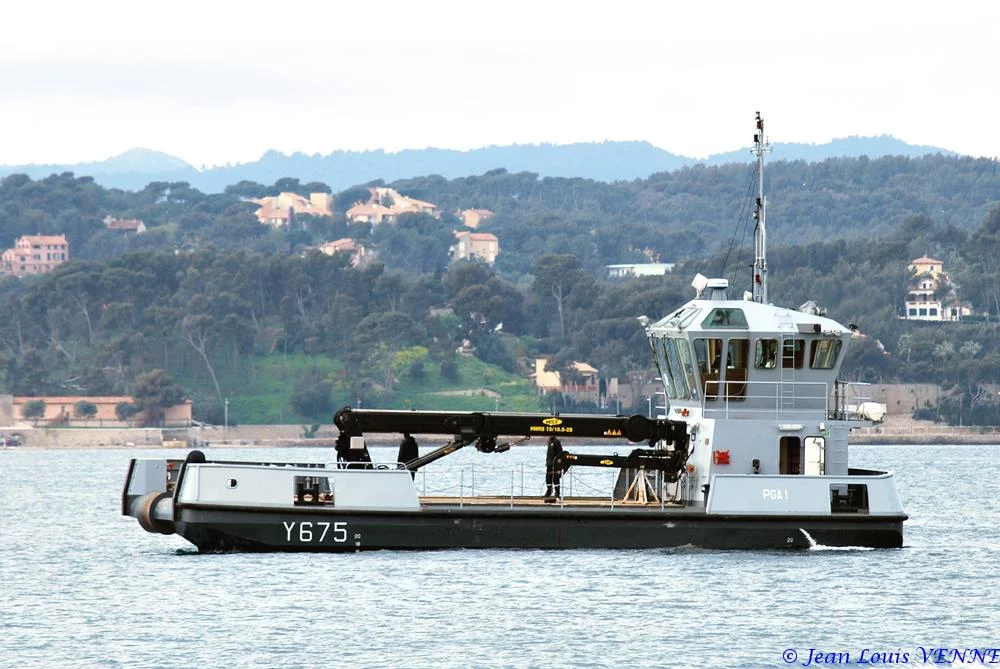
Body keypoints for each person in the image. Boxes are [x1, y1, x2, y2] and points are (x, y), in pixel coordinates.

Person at [544, 435, 564, 501]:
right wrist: (547, 461)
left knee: (556, 478)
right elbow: (548, 453)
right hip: (549, 463)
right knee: (548, 478)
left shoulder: (557, 441)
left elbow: (560, 453)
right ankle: (549, 491)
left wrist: (558, 462)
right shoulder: (549, 441)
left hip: (555, 464)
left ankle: (557, 492)